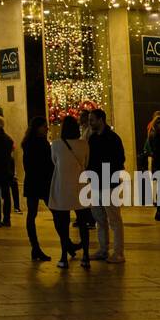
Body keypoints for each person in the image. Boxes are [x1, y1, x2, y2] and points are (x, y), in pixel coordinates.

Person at [50, 115, 93, 268]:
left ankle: (63, 256)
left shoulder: (56, 144)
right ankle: (86, 256)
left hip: (62, 186)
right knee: (83, 223)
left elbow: (54, 161)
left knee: (63, 224)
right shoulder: (84, 144)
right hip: (80, 186)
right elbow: (86, 163)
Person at [87, 108, 126, 263]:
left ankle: (118, 253)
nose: (90, 123)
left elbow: (119, 159)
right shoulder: (92, 138)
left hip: (110, 183)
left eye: (92, 120)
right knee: (99, 218)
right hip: (95, 183)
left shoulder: (113, 138)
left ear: (100, 120)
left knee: (114, 219)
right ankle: (103, 249)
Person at [21, 116, 55, 261]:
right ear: (37, 127)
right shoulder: (41, 143)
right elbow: (48, 163)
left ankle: (35, 247)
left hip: (32, 181)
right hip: (42, 182)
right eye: (44, 126)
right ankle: (66, 243)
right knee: (57, 212)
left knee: (32, 214)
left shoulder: (27, 143)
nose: (47, 128)